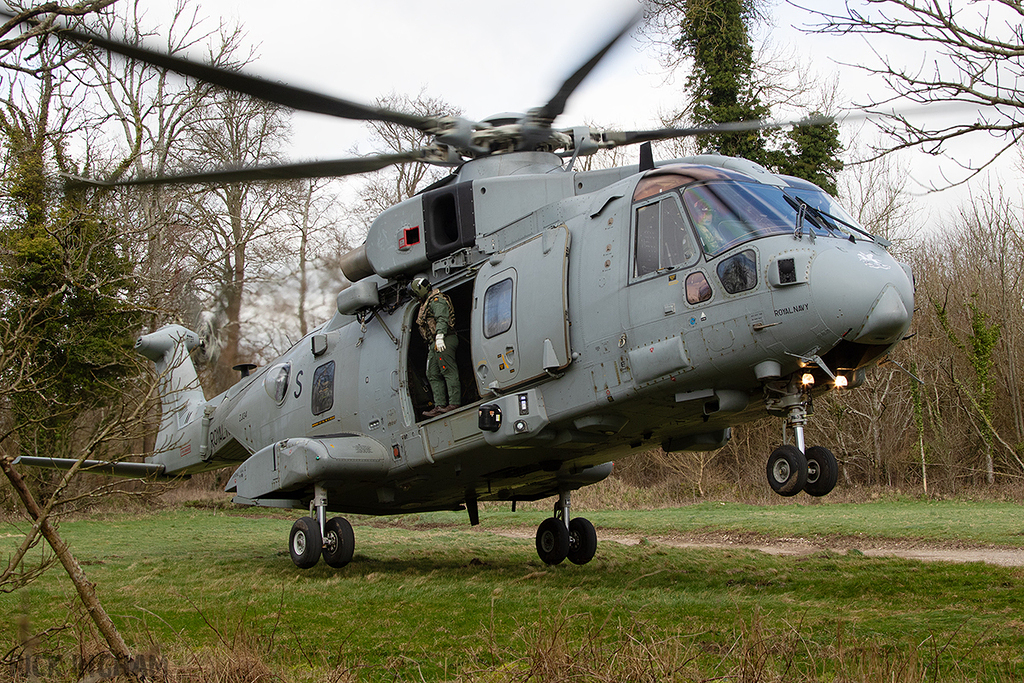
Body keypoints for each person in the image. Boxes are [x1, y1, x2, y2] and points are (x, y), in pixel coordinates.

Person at [411, 276, 461, 417]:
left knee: (448, 370)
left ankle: (454, 403)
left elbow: (442, 319)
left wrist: (439, 337)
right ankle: (439, 405)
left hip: (445, 338)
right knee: (432, 373)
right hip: (434, 343)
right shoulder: (426, 304)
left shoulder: (436, 301)